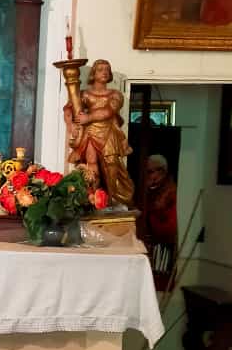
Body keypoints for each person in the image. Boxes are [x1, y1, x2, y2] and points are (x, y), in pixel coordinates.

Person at [65, 59, 135, 206]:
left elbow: (108, 111)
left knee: (111, 164)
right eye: (100, 69)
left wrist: (88, 117)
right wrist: (72, 125)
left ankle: (112, 198)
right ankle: (93, 198)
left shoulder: (115, 95)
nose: (104, 72)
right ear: (93, 73)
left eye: (107, 70)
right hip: (89, 132)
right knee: (91, 164)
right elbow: (69, 109)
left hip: (109, 133)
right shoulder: (84, 94)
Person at [144, 153, 179, 287]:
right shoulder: (152, 189)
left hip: (165, 245)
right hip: (154, 243)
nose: (147, 176)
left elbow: (158, 208)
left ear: (162, 172)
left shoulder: (170, 191)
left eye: (150, 172)